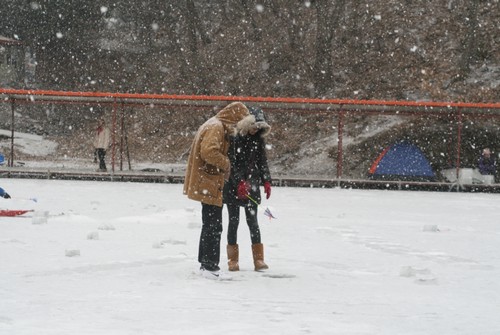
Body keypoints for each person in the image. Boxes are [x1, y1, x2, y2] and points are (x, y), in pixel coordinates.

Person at [183, 102, 250, 280]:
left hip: (208, 182)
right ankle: (210, 266)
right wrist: (226, 163)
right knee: (214, 226)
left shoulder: (214, 124)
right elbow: (208, 152)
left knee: (209, 224)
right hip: (209, 182)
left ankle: (206, 264)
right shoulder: (217, 127)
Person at [223, 106, 272, 272]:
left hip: (252, 185)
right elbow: (232, 163)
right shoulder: (235, 139)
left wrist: (266, 181)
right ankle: (232, 260)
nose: (255, 129)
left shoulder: (258, 140)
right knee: (234, 222)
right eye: (253, 126)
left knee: (253, 222)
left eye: (259, 127)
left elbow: (262, 162)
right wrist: (239, 181)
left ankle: (259, 260)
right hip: (233, 187)